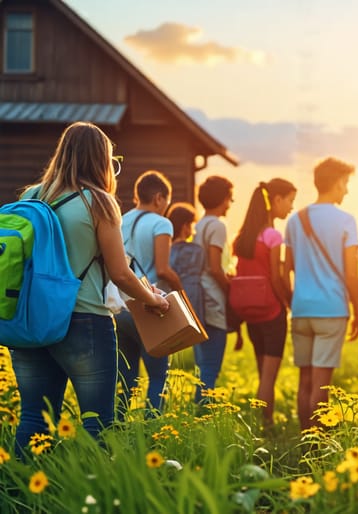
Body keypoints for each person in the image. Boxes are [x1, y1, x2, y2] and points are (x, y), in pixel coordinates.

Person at [10, 122, 168, 456]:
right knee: (98, 422)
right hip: (83, 321)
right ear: (101, 159)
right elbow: (120, 274)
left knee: (34, 421)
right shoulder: (99, 202)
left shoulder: (30, 196)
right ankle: (94, 495)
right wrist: (154, 298)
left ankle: (20, 493)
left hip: (30, 320)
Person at [284, 157, 358, 429]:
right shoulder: (346, 221)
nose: (347, 190)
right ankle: (317, 445)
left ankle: (305, 438)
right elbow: (352, 274)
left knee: (304, 379)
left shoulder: (295, 220)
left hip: (301, 309)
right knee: (321, 383)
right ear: (337, 183)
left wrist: (293, 301)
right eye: (346, 183)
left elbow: (287, 269)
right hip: (331, 309)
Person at [116, 170, 183, 414]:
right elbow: (163, 270)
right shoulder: (161, 223)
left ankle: (117, 428)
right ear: (158, 198)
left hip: (121, 307)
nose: (166, 207)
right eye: (167, 201)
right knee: (157, 376)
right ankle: (152, 432)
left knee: (125, 377)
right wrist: (181, 292)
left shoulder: (121, 220)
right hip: (151, 308)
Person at [232, 179, 296, 427]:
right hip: (270, 312)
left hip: (250, 314)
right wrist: (289, 302)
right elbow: (277, 276)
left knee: (262, 373)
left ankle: (259, 421)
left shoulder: (243, 237)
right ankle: (266, 425)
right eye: (289, 200)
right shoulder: (272, 236)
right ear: (276, 200)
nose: (290, 207)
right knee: (268, 378)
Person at [194, 175, 234, 403]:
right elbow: (216, 267)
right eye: (229, 198)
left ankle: (198, 412)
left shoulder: (198, 225)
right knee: (210, 368)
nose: (230, 204)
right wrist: (231, 290)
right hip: (213, 300)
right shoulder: (217, 226)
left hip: (198, 298)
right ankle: (202, 414)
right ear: (223, 198)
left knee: (202, 367)